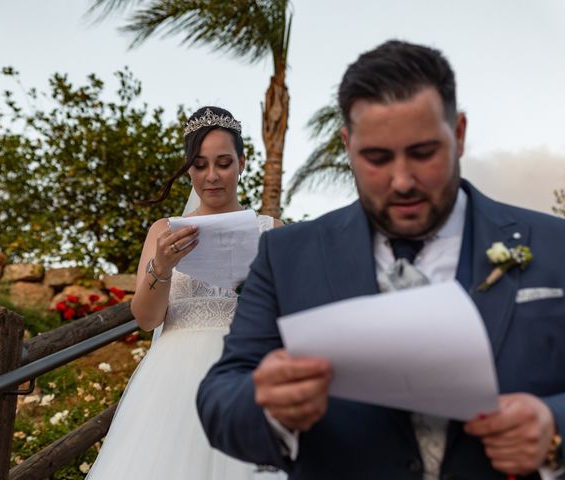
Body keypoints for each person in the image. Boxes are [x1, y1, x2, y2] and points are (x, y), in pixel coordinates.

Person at [197, 41, 565, 479]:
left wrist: (554, 428)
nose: (402, 180)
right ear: (348, 144)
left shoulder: (554, 244)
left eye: (424, 152)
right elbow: (220, 396)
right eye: (377, 158)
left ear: (460, 133)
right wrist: (267, 403)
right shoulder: (286, 254)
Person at [86, 106, 284, 479]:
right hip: (173, 381)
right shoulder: (164, 232)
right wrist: (161, 266)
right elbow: (146, 320)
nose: (212, 176)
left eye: (224, 163)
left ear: (242, 162)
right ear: (189, 168)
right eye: (199, 164)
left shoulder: (272, 231)